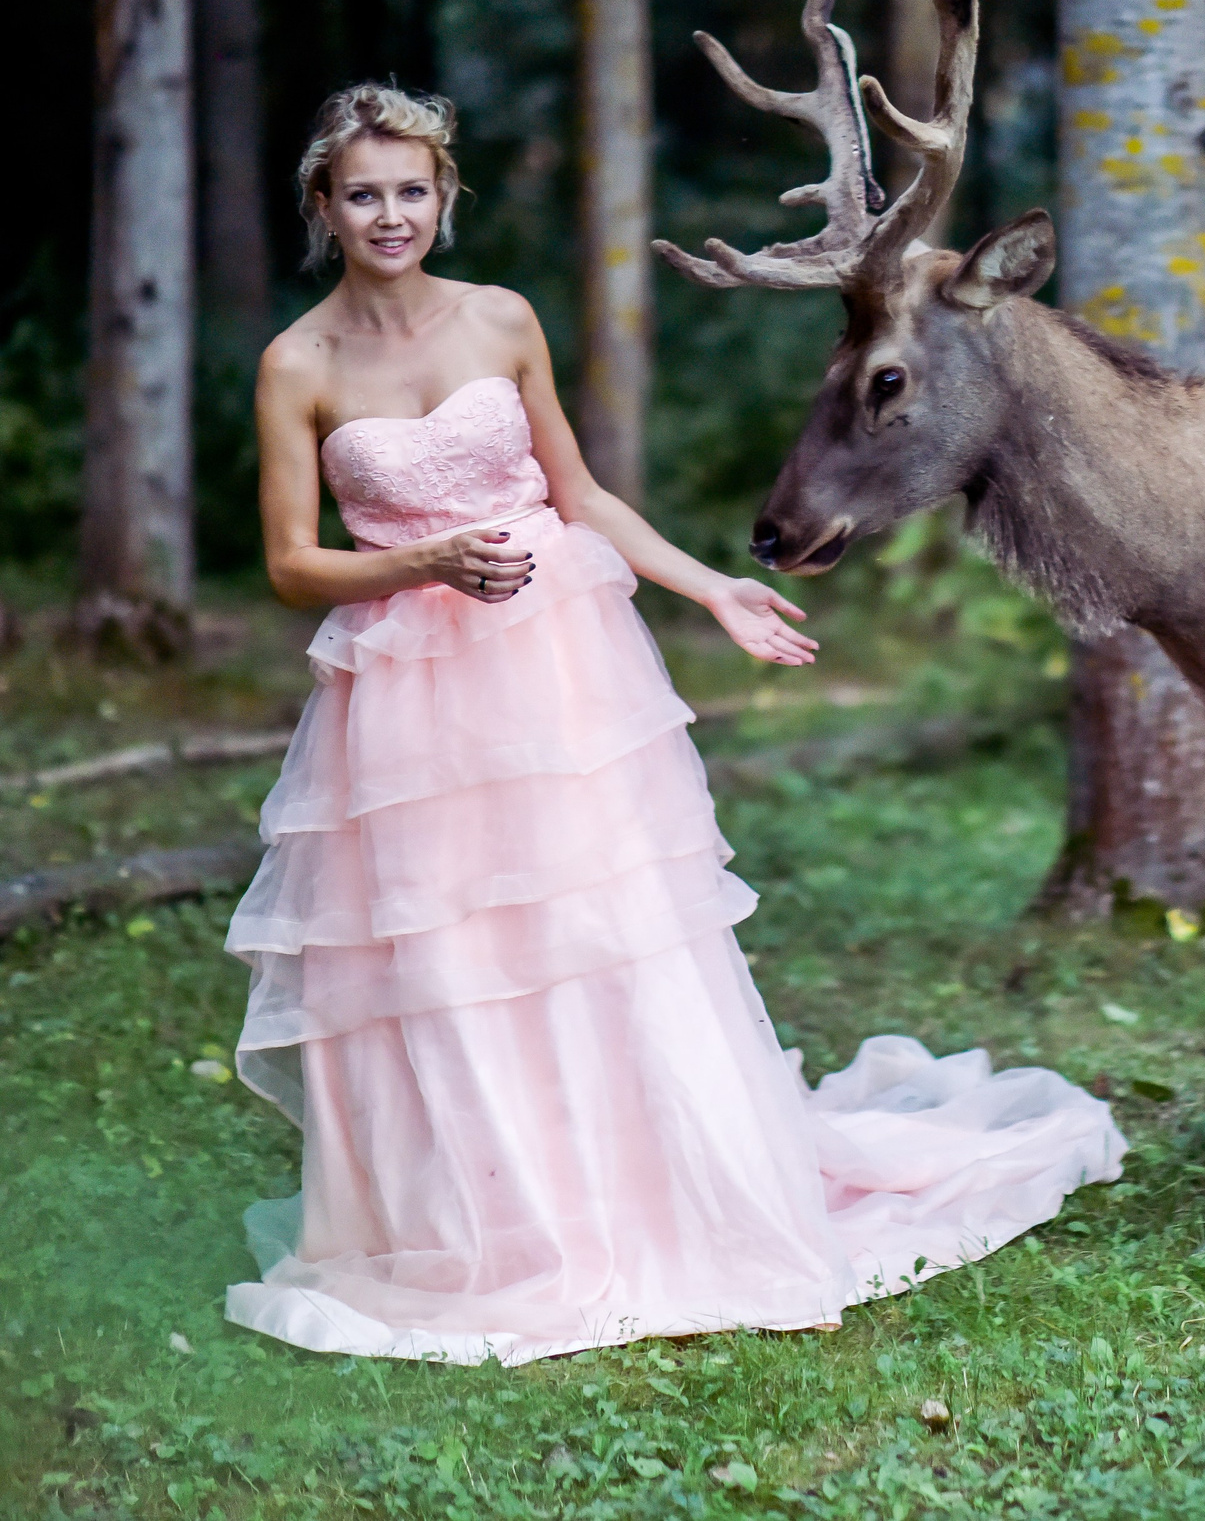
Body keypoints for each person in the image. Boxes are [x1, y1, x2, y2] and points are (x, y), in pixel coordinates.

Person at [222, 83, 1124, 1365]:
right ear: (323, 206)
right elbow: (292, 564)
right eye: (363, 193)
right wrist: (420, 567)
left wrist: (712, 587)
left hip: (554, 664)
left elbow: (578, 492)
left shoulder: (502, 322)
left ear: (445, 199)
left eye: (412, 190)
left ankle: (636, 1190)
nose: (390, 215)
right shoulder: (297, 365)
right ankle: (474, 1216)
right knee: (449, 942)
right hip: (408, 686)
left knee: (595, 924)